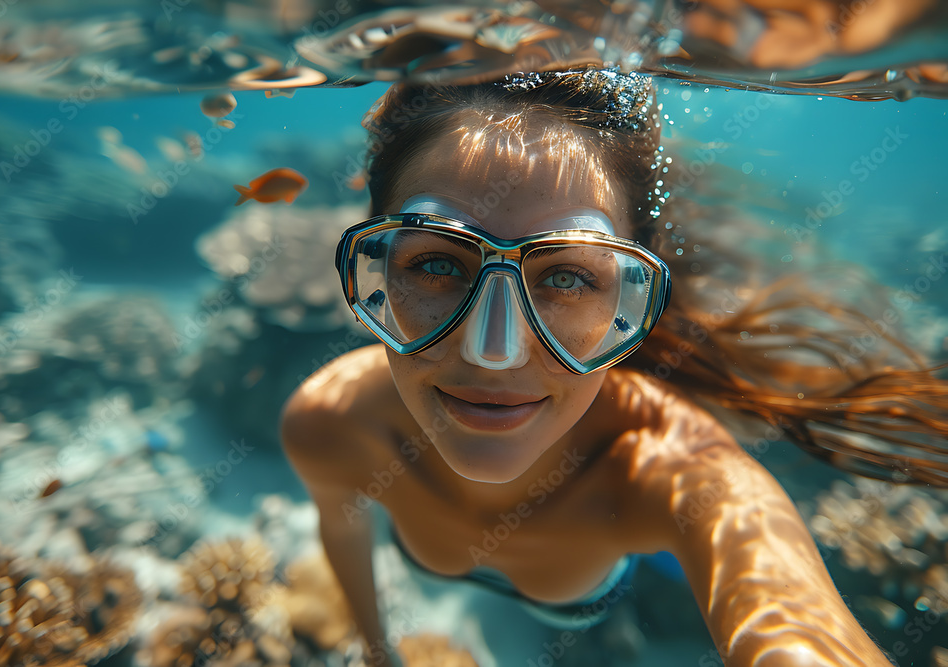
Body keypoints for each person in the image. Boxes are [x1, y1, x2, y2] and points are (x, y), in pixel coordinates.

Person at [281, 66, 948, 666]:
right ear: (374, 269)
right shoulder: (328, 423)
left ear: (630, 298)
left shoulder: (672, 466)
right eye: (435, 264)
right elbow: (341, 526)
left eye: (567, 279)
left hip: (588, 601)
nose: (495, 350)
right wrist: (377, 651)